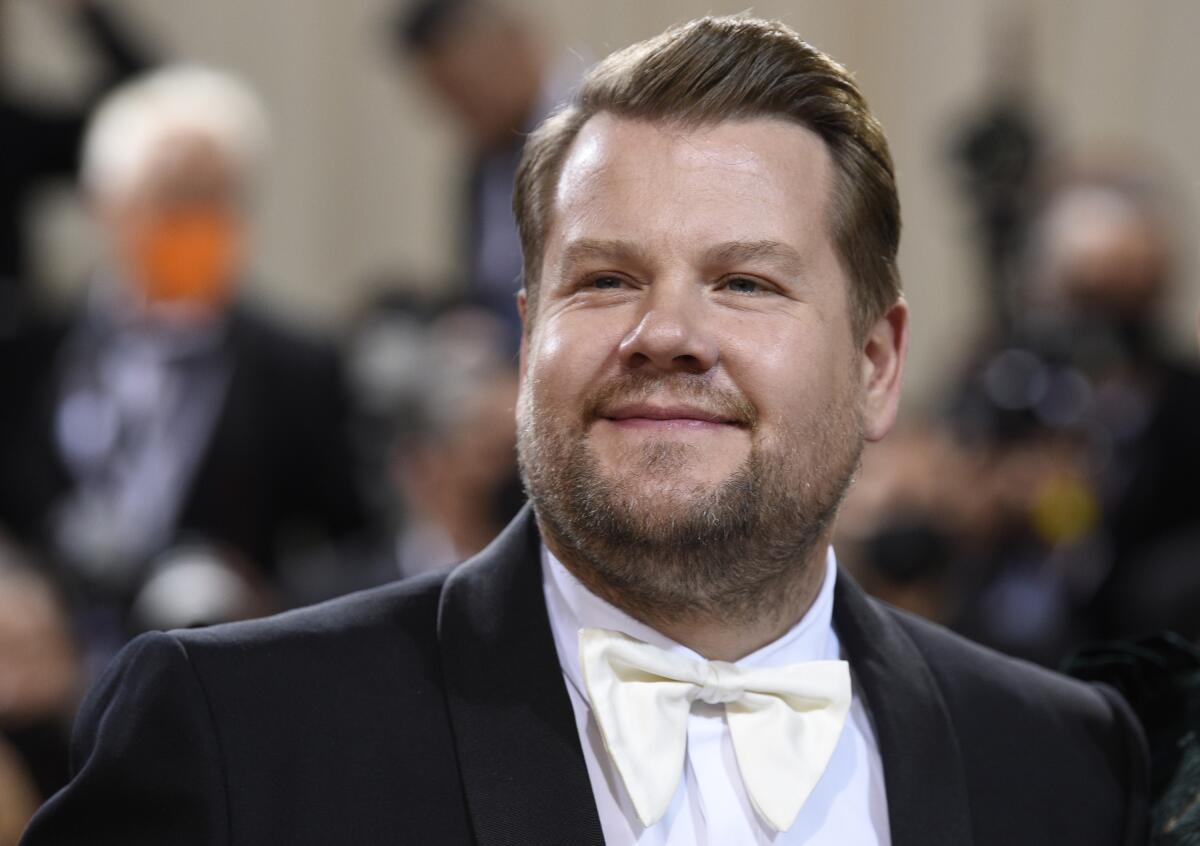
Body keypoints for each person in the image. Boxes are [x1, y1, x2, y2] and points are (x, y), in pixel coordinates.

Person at [21, 17, 1148, 845]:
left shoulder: (1061, 766)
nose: (666, 332)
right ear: (527, 338)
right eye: (605, 280)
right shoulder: (245, 737)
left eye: (746, 284)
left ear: (877, 363)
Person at [0, 66, 366, 669]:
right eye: (173, 198)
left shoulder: (296, 367)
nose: (197, 223)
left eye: (218, 198)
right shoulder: (29, 358)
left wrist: (262, 602)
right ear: (106, 207)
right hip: (46, 694)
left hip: (218, 688)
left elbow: (352, 545)